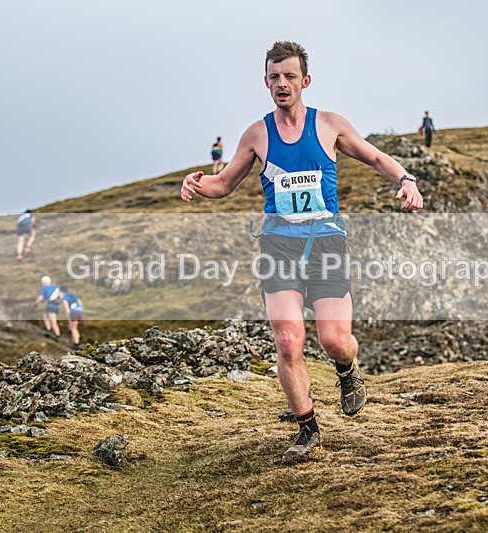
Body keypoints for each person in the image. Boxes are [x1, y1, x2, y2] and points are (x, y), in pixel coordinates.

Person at [181, 41, 423, 456]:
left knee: (335, 340)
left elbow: (377, 156)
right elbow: (223, 184)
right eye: (274, 77)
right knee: (289, 341)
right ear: (266, 81)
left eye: (290, 76)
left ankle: (347, 371)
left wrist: (406, 180)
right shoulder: (257, 134)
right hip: (278, 246)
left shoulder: (329, 125)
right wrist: (196, 183)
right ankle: (307, 428)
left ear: (305, 81)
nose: (282, 84)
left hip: (326, 244)